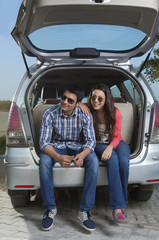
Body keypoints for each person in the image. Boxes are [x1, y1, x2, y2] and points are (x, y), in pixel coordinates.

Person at [39, 85, 99, 232]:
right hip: (55, 146)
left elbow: (91, 141)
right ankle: (50, 209)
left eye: (70, 100)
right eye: (63, 97)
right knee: (44, 162)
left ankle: (85, 211)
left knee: (94, 161)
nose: (65, 102)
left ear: (78, 103)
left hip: (77, 146)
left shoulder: (85, 114)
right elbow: (44, 143)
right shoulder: (49, 113)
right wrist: (58, 157)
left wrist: (83, 154)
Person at [79, 84, 130, 223]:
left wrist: (110, 147)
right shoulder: (87, 108)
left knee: (124, 163)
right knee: (113, 160)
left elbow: (117, 135)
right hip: (97, 143)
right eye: (93, 97)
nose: (96, 101)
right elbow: (74, 102)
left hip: (116, 141)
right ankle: (117, 207)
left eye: (100, 99)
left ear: (106, 100)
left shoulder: (115, 112)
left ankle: (122, 201)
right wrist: (80, 103)